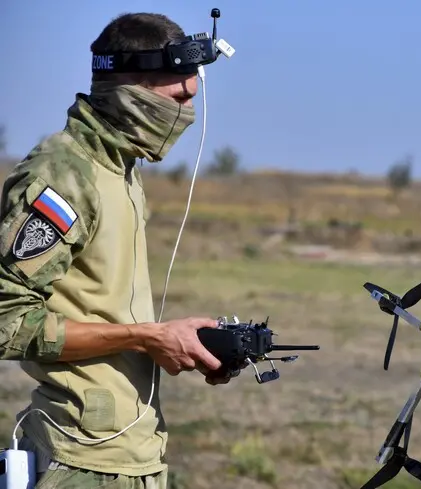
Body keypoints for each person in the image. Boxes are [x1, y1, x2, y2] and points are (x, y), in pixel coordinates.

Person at [0, 12, 231, 489]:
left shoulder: (122, 168)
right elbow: (6, 323)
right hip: (83, 459)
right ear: (132, 88)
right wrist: (146, 337)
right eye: (180, 97)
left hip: (134, 452)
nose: (189, 114)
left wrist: (178, 340)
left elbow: (101, 306)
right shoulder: (65, 175)